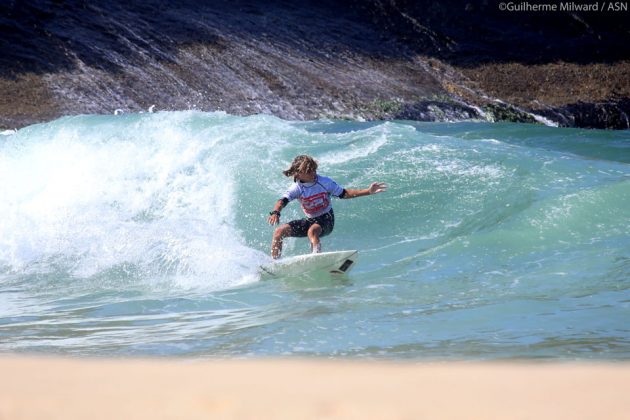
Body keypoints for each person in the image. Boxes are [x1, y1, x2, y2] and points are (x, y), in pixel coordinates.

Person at [267, 155, 387, 259]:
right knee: (279, 231)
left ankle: (316, 258)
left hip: (327, 219)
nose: (313, 173)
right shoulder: (297, 188)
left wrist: (368, 191)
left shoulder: (324, 182)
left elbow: (344, 194)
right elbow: (282, 201)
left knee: (312, 231)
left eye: (314, 169)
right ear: (298, 174)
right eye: (309, 171)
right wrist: (275, 212)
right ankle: (275, 264)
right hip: (310, 220)